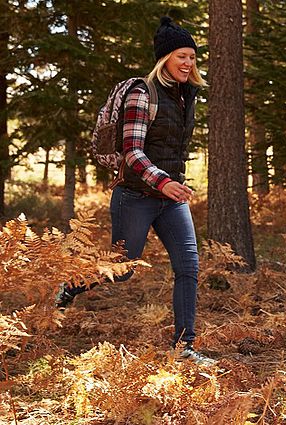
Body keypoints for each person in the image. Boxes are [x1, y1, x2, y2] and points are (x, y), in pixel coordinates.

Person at [54, 17, 214, 366]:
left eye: (191, 57)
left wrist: (171, 184)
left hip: (169, 200)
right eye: (181, 56)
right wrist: (165, 181)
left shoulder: (187, 97)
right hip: (136, 196)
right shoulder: (143, 93)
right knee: (122, 270)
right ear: (164, 59)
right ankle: (70, 285)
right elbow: (132, 150)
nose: (188, 63)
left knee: (188, 267)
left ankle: (184, 346)